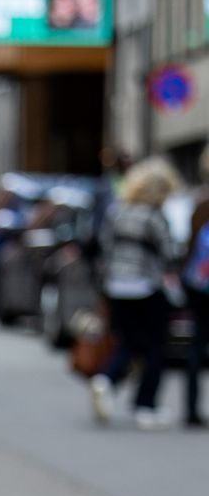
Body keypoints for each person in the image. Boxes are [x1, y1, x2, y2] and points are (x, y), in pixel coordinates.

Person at [91, 156, 182, 430]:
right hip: (146, 287)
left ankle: (105, 379)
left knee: (128, 342)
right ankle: (145, 406)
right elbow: (170, 254)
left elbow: (104, 250)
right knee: (155, 347)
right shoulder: (154, 217)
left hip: (117, 287)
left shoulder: (117, 212)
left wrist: (106, 284)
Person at [180, 142, 209, 429]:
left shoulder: (200, 204)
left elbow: (188, 248)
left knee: (196, 345)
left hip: (199, 285)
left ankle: (190, 409)